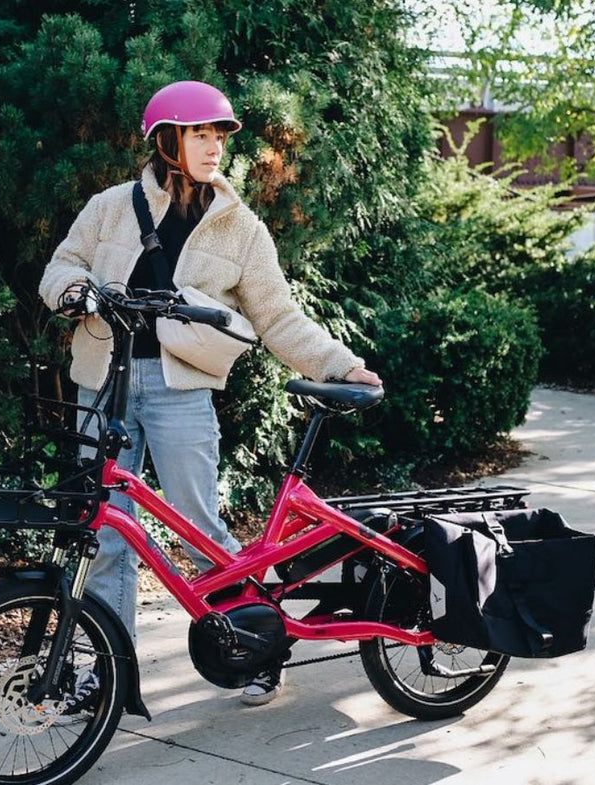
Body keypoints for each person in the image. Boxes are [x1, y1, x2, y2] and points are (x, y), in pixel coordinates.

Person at [38, 80, 381, 707]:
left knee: (199, 525)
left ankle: (252, 646)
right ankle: (105, 673)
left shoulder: (240, 229)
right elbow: (60, 268)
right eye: (202, 134)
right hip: (102, 387)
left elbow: (279, 318)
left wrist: (342, 364)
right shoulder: (110, 208)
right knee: (107, 536)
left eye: (220, 135)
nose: (215, 146)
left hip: (180, 393)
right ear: (168, 139)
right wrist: (77, 292)